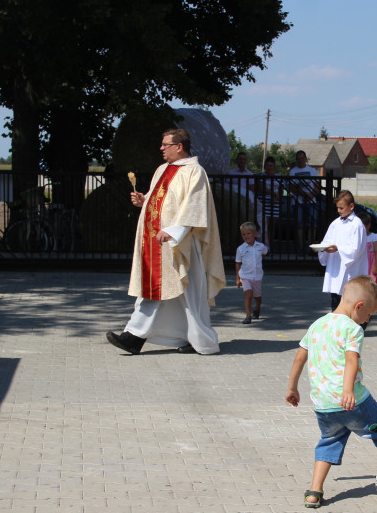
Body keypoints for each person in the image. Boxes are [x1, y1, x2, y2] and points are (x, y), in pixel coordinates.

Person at [106, 128, 226, 356]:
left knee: (189, 297)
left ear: (179, 146)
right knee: (156, 291)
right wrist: (145, 200)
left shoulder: (195, 172)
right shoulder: (162, 169)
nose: (161, 148)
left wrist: (173, 231)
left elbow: (194, 206)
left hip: (182, 245)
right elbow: (163, 201)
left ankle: (201, 341)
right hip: (156, 244)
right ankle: (136, 337)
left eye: (165, 145)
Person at [284, 276, 377, 509]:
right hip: (352, 400)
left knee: (329, 440)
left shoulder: (317, 325)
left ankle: (314, 492)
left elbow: (300, 357)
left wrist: (292, 387)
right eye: (369, 315)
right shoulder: (353, 328)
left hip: (323, 403)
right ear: (359, 306)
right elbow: (351, 360)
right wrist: (348, 390)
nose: (368, 320)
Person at [319, 190, 368, 310]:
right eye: (337, 208)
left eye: (341, 208)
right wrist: (322, 248)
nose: (339, 211)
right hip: (336, 268)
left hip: (350, 270)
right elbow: (327, 240)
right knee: (335, 301)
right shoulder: (336, 223)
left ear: (351, 206)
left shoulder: (357, 225)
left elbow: (356, 249)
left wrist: (338, 248)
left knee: (350, 302)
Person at [235, 221, 268, 324]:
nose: (246, 236)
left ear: (255, 234)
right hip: (245, 276)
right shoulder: (241, 249)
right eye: (243, 234)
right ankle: (248, 316)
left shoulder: (260, 246)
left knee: (257, 297)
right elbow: (238, 263)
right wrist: (238, 278)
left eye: (248, 233)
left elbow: (264, 254)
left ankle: (257, 308)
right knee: (248, 294)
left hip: (257, 276)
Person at [288, 150, 321, 245]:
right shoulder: (293, 171)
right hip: (298, 202)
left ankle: (311, 247)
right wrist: (303, 195)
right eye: (298, 159)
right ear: (296, 160)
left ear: (305, 158)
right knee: (299, 225)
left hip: (311, 202)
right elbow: (291, 186)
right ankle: (300, 249)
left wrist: (311, 195)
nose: (300, 160)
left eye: (302, 158)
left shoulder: (312, 170)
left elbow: (317, 185)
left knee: (313, 225)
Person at [255, 157, 282, 244]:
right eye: (267, 165)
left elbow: (281, 190)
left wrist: (276, 198)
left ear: (274, 167)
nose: (269, 167)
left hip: (275, 205)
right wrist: (273, 194)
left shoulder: (278, 177)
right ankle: (263, 245)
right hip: (264, 205)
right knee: (263, 227)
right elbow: (261, 188)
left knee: (271, 227)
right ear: (265, 166)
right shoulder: (261, 176)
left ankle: (270, 246)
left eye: (271, 165)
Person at [359, 210, 377, 284]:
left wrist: (376, 266)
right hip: (360, 264)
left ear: (368, 225)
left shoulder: (374, 237)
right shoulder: (356, 238)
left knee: (371, 283)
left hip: (370, 264)